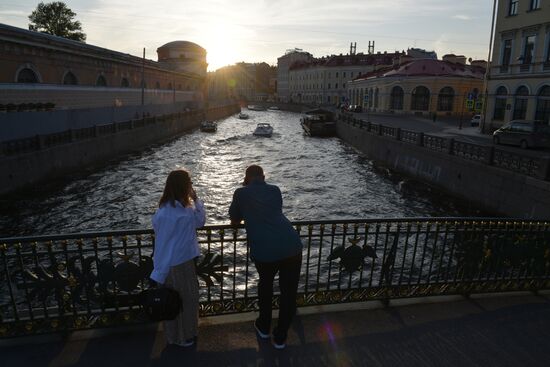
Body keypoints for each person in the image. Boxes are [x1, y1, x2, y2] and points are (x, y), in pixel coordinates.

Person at [229, 165, 303, 350]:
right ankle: (281, 337)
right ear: (263, 176)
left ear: (246, 178)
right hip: (291, 245)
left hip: (265, 250)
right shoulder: (275, 190)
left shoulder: (240, 193)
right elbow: (273, 212)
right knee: (288, 293)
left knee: (266, 285)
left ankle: (264, 326)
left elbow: (235, 218)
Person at [150, 169, 206, 348]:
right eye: (189, 182)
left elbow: (199, 222)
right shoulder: (176, 213)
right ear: (183, 186)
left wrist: (196, 200)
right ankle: (182, 337)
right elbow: (201, 221)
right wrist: (196, 200)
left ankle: (180, 335)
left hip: (176, 263)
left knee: (180, 301)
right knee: (182, 302)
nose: (191, 184)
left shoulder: (173, 209)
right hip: (178, 264)